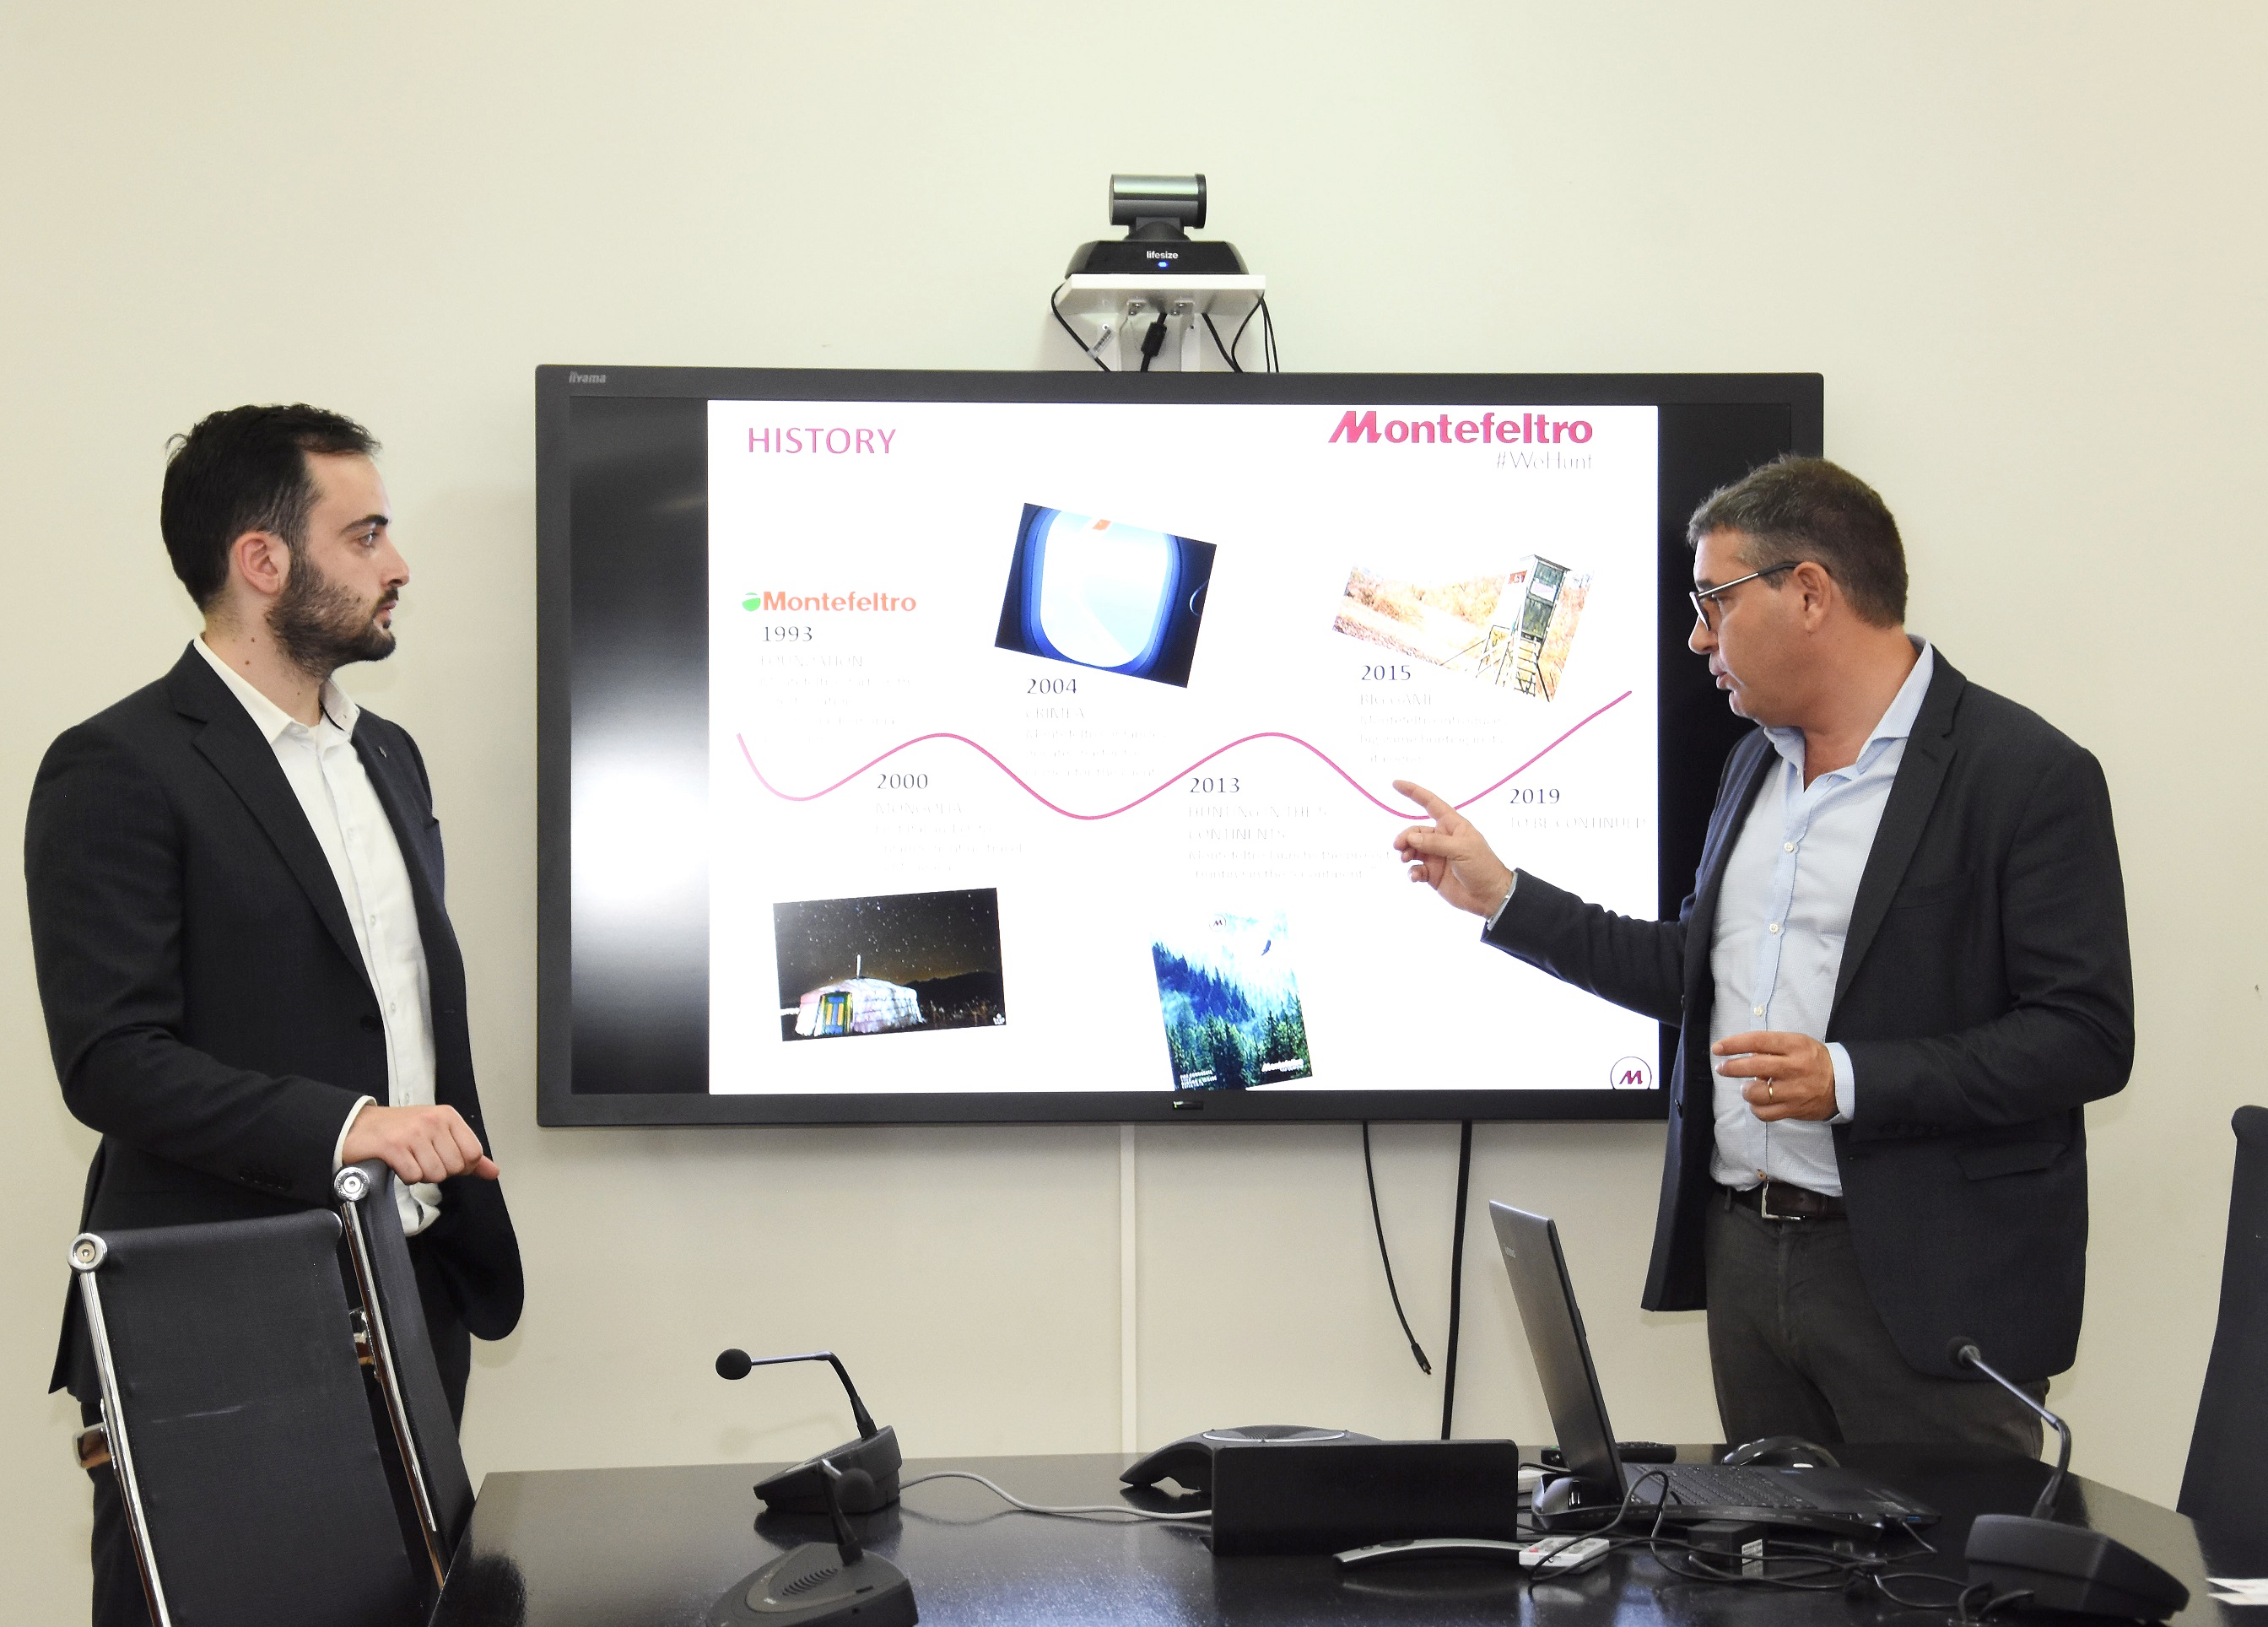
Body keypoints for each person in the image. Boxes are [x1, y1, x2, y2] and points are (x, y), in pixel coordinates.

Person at [1394, 456, 2130, 1451]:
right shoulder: (1754, 763)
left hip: (1925, 1284)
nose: (1698, 637)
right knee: (1764, 1547)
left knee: (1942, 1555)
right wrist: (1504, 896)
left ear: (1811, 592)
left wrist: (1850, 1078)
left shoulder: (2025, 774)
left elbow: (2086, 1035)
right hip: (1748, 1257)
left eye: (1715, 601)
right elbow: (1692, 974)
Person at [25, 404, 524, 1624]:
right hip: (222, 1327)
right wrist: (352, 1124)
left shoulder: (388, 755)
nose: (397, 564)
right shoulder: (117, 765)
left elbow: (390, 1007)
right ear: (263, 561)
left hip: (410, 1298)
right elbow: (111, 1060)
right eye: (365, 535)